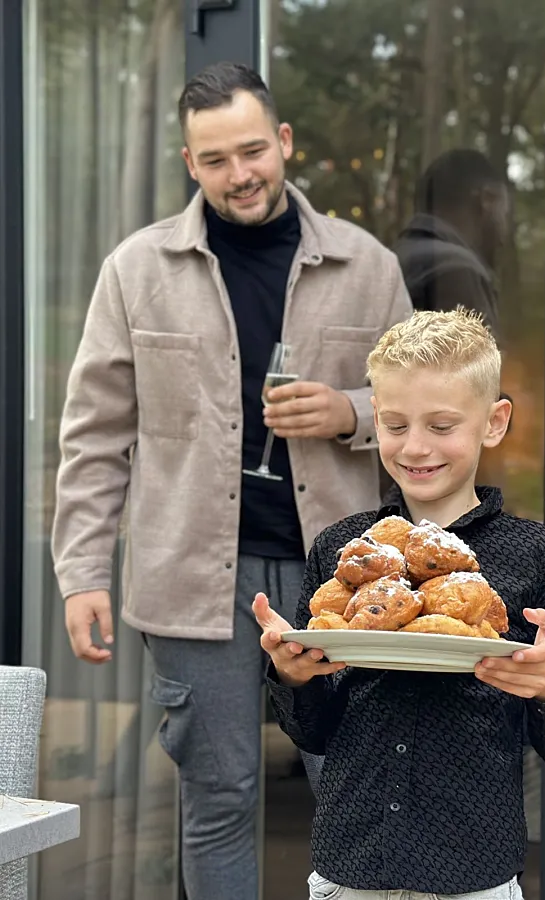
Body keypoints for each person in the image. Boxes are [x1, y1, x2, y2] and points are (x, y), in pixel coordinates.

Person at [51, 61, 411, 900]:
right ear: (190, 163)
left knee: (352, 792)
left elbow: (424, 406)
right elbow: (95, 435)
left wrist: (350, 411)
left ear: (283, 142)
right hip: (189, 580)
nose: (239, 174)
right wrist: (82, 574)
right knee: (217, 800)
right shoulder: (136, 270)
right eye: (215, 160)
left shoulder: (367, 264)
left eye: (252, 151)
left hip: (338, 578)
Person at [253, 309, 545, 899]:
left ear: (494, 422)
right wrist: (291, 674)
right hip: (350, 868)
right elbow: (311, 732)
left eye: (441, 426)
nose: (415, 446)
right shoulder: (344, 552)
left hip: (473, 873)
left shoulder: (534, 555)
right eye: (395, 424)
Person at [394, 149, 508, 336]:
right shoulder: (456, 268)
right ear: (486, 200)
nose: (503, 237)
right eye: (504, 213)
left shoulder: (392, 258)